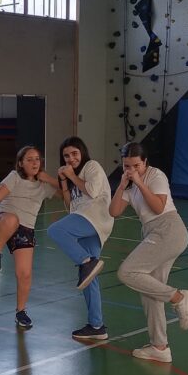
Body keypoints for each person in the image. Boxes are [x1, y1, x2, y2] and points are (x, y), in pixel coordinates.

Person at [110, 142, 188, 363]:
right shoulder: (128, 183)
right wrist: (122, 186)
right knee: (150, 292)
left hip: (168, 230)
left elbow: (158, 207)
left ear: (145, 162)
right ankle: (160, 347)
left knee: (127, 272)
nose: (131, 170)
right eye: (127, 166)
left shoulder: (155, 175)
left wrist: (139, 182)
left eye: (136, 165)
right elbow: (114, 211)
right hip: (152, 232)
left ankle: (179, 297)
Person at [0, 145, 60, 329]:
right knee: (12, 219)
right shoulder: (14, 177)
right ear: (21, 163)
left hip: (26, 229)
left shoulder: (44, 185)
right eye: (29, 159)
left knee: (25, 274)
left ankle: (20, 311)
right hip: (3, 219)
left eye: (37, 159)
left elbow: (66, 195)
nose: (34, 162)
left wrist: (50, 179)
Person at [47, 137, 114, 341]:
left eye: (75, 154)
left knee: (55, 230)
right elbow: (70, 207)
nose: (71, 158)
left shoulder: (92, 166)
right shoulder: (72, 175)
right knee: (89, 278)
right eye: (67, 156)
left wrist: (71, 176)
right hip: (85, 219)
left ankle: (87, 261)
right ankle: (97, 325)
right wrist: (65, 182)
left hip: (94, 218)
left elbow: (92, 191)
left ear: (82, 152)